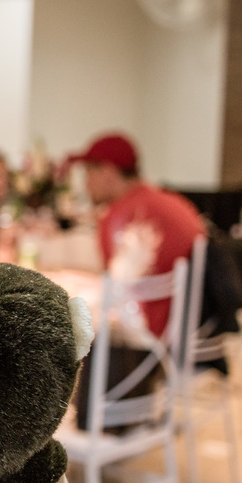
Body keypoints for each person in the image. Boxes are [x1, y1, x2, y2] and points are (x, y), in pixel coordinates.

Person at [71, 132, 204, 335]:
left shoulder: (120, 216)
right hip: (190, 325)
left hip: (147, 335)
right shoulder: (172, 202)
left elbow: (116, 290)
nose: (85, 184)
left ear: (108, 171)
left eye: (88, 173)